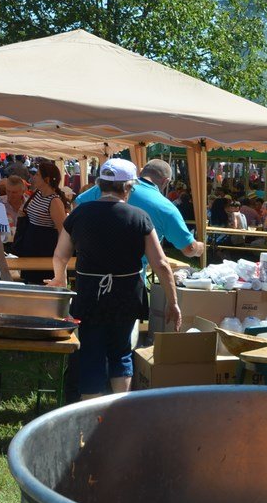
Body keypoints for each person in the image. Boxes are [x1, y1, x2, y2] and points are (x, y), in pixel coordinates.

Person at [48, 158, 180, 399]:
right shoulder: (139, 217)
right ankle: (117, 411)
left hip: (89, 294)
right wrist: (173, 302)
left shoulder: (80, 213)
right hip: (126, 294)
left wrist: (60, 279)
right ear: (128, 187)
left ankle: (91, 415)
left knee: (90, 351)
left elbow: (60, 254)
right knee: (121, 352)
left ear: (100, 184)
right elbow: (160, 263)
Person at [75, 159, 204, 258]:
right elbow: (189, 249)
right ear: (166, 181)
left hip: (91, 271)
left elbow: (77, 204)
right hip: (131, 276)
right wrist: (200, 247)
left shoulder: (110, 187)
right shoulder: (166, 207)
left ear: (141, 172)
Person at [12, 161, 67, 285]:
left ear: (46, 179)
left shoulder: (54, 201)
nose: (34, 177)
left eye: (37, 175)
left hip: (44, 250)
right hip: (30, 247)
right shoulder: (37, 194)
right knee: (30, 283)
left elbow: (62, 231)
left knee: (41, 285)